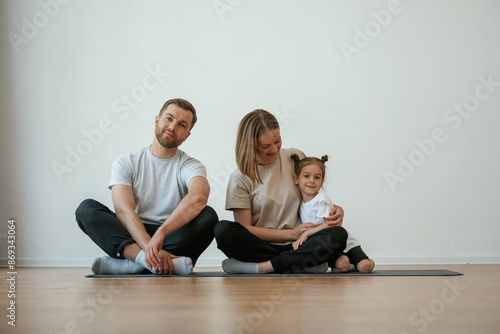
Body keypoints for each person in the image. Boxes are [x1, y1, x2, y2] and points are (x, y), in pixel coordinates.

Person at [75, 98, 218, 275]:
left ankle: (132, 263)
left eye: (182, 124)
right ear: (157, 120)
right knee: (86, 209)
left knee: (208, 216)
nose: (173, 127)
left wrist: (161, 234)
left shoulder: (190, 166)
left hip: (170, 235)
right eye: (169, 118)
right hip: (134, 233)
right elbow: (123, 211)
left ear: (187, 134)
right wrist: (148, 246)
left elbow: (198, 197)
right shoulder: (126, 162)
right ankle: (149, 261)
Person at [214, 109, 349, 274]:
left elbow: (311, 197)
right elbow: (246, 228)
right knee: (223, 230)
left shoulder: (295, 157)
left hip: (301, 242)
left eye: (277, 141)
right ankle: (301, 263)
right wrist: (291, 234)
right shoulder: (240, 177)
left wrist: (336, 210)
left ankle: (265, 267)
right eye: (265, 146)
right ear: (251, 145)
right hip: (264, 244)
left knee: (338, 234)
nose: (274, 149)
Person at [290, 154, 375, 273]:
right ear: (296, 179)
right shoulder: (299, 203)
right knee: (342, 266)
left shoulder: (321, 200)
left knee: (365, 267)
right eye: (306, 176)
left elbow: (331, 225)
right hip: (331, 246)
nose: (311, 181)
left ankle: (367, 261)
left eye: (317, 177)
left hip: (346, 243)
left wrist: (306, 234)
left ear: (322, 181)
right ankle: (350, 264)